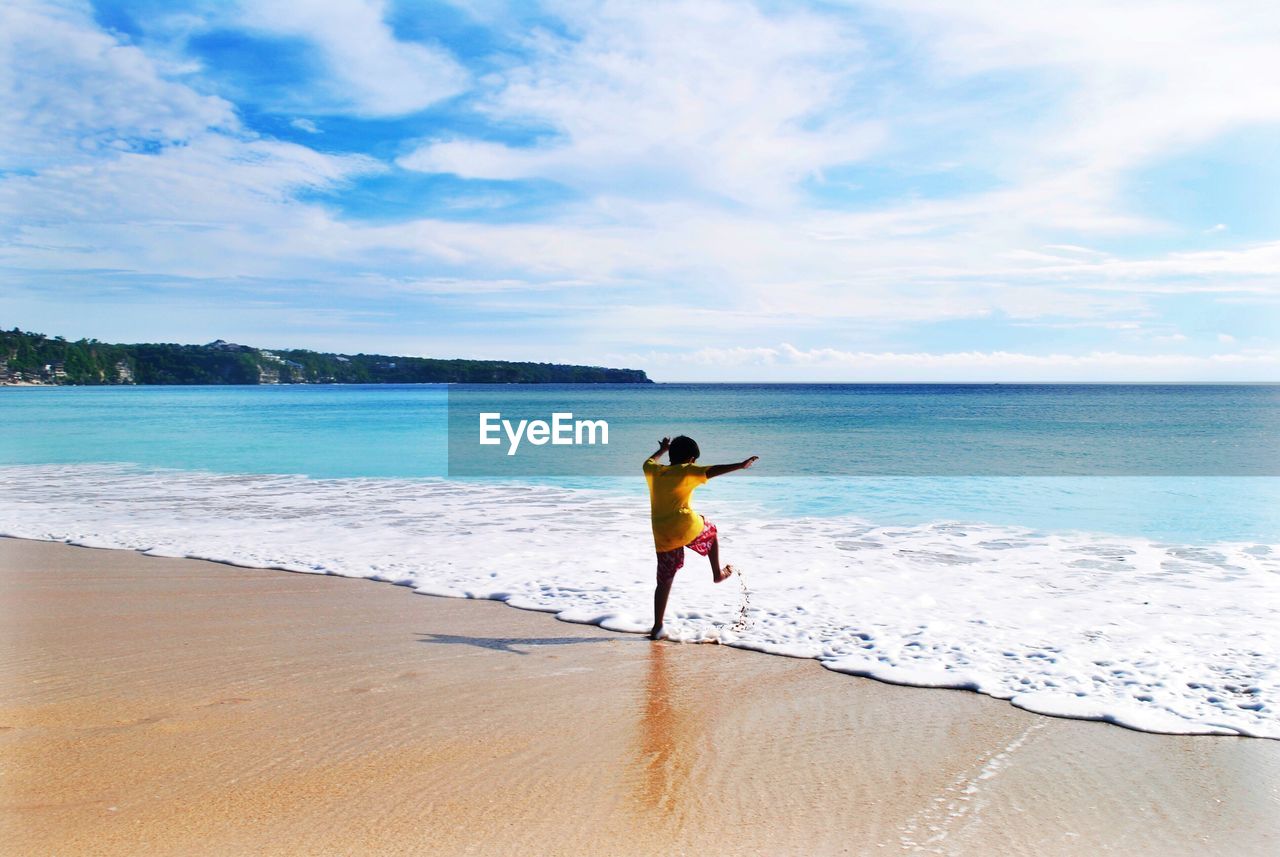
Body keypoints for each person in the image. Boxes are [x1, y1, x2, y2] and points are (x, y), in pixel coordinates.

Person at [643, 435, 758, 640]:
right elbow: (712, 470)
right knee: (711, 529)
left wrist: (662, 450)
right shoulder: (687, 470)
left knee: (664, 580)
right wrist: (740, 465)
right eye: (694, 459)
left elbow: (649, 461)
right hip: (684, 526)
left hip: (662, 534)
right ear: (690, 459)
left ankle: (657, 627)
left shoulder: (653, 471)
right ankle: (718, 573)